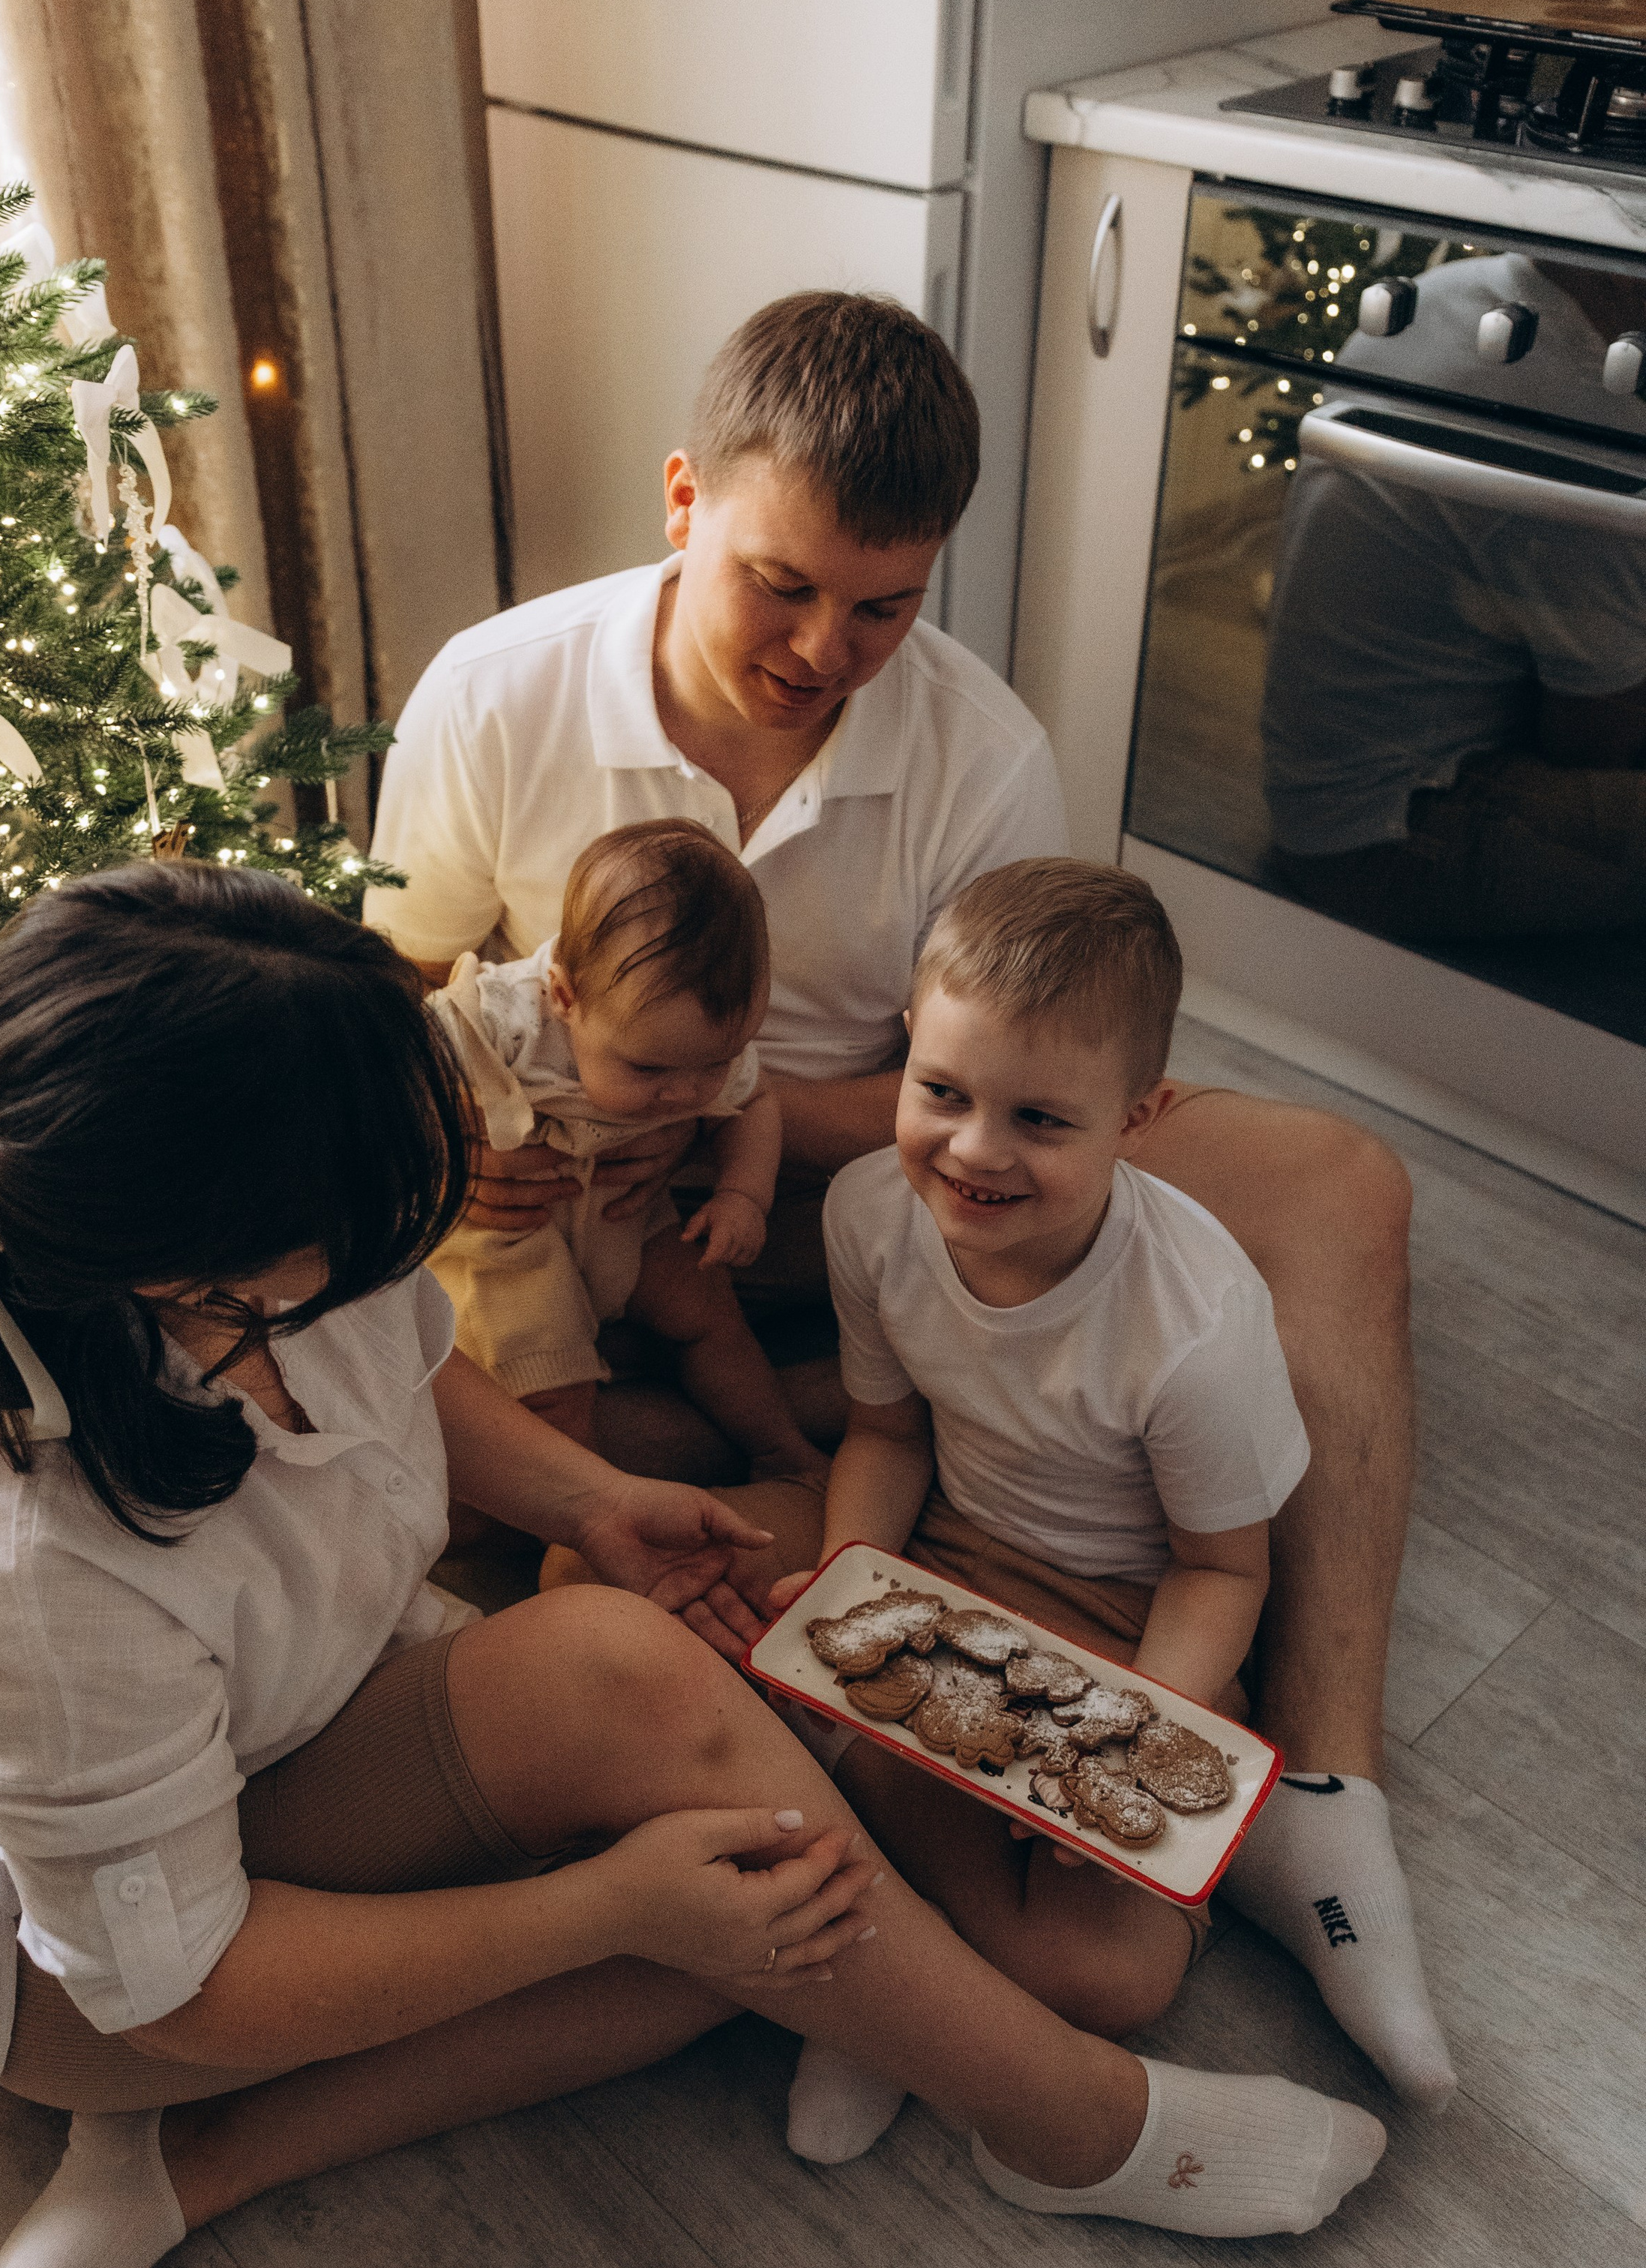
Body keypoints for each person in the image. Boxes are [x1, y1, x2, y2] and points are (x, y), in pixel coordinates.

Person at [0, 867, 1386, 2268]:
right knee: (721, 1885)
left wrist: (591, 1502)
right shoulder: (14, 1571)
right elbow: (184, 1988)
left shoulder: (237, 1248)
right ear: (201, 1273)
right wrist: (599, 1908)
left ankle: (196, 2164)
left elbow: (398, 1368)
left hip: (290, 1743)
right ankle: (1067, 2123)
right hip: (114, 1987)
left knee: (763, 1918)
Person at [367, 290, 1451, 2108]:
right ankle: (863, 1491)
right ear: (681, 501)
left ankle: (1323, 1788)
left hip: (880, 1171)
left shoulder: (979, 749)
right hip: (593, 1222)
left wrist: (744, 1117)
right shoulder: (496, 688)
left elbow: (1013, 1062)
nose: (824, 649)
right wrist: (450, 1138)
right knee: (543, 1495)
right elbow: (390, 983)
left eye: (882, 606)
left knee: (1340, 1181)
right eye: (778, 586)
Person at [776, 860, 1316, 2161]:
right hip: (945, 1553)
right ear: (908, 1049)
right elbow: (887, 1434)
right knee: (658, 1617)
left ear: (1140, 1116)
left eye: (1039, 1119)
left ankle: (884, 1964)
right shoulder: (868, 1214)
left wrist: (1122, 1743)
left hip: (1124, 1612)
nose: (974, 1150)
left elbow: (1223, 1573)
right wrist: (846, 1595)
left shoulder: (1195, 1323)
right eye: (942, 1093)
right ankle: (912, 1951)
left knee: (1111, 1974)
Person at [1264, 246, 1646, 946]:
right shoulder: (1588, 411)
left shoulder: (1441, 294)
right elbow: (1593, 739)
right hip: (1392, 835)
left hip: (1317, 791)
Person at [426, 818, 825, 1485]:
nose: (688, 1093)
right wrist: (440, 1156)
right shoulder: (493, 1019)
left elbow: (755, 1103)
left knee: (709, 1313)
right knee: (553, 1388)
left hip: (628, 1215)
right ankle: (585, 1511)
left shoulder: (698, 1046)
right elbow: (390, 1086)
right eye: (649, 1069)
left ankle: (780, 1447)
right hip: (512, 1238)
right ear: (564, 996)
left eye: (715, 1064)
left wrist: (742, 1194)